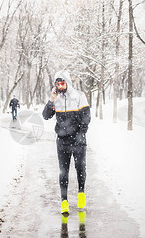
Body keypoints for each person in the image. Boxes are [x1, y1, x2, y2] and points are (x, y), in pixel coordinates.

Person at [42, 70, 91, 214]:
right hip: (62, 141)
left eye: (63, 83)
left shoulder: (79, 96)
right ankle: (64, 201)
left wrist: (80, 134)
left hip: (78, 141)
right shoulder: (55, 99)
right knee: (64, 171)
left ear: (67, 83)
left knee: (80, 168)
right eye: (58, 84)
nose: (60, 86)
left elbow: (86, 118)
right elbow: (46, 116)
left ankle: (81, 193)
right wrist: (51, 100)